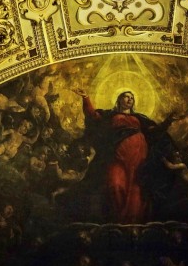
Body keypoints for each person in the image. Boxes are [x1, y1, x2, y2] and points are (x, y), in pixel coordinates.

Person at [73, 88, 176, 222]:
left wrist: (168, 121)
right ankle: (117, 219)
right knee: (115, 185)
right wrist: (86, 98)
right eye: (126, 97)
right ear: (119, 100)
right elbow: (92, 115)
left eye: (132, 98)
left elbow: (155, 131)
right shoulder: (109, 115)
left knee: (137, 190)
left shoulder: (139, 118)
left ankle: (133, 223)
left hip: (139, 158)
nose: (129, 99)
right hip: (117, 156)